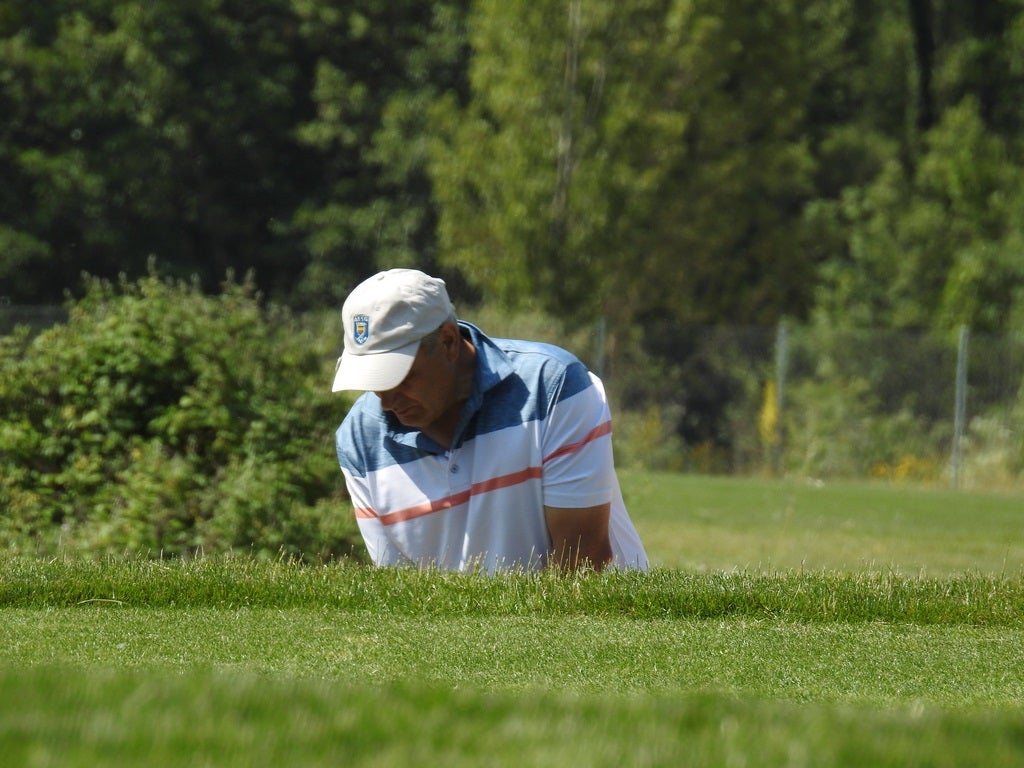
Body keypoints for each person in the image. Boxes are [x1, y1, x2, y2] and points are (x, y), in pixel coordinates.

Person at [331, 268, 648, 573]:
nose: (385, 401)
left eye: (400, 378)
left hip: (597, 625)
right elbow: (403, 593)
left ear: (448, 341)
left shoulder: (552, 387)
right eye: (374, 381)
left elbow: (583, 559)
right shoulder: (358, 437)